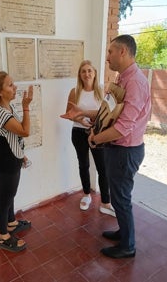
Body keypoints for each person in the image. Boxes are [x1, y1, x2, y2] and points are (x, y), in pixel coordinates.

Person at [64, 35, 151, 259]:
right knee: (121, 197)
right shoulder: (122, 79)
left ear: (123, 52)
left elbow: (123, 127)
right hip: (117, 149)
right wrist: (83, 113)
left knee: (120, 197)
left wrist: (95, 139)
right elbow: (107, 112)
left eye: (111, 51)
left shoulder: (136, 84)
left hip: (125, 150)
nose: (108, 56)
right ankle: (124, 233)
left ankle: (128, 246)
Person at [0, 71, 33, 252]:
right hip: (4, 166)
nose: (15, 88)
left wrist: (21, 155)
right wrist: (26, 107)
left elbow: (12, 139)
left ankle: (11, 223)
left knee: (10, 195)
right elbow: (24, 131)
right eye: (10, 85)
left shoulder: (6, 109)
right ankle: (3, 236)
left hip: (11, 161)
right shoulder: (0, 113)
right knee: (5, 200)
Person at [63, 60, 115, 216]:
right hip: (78, 133)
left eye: (89, 71)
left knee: (102, 168)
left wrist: (94, 123)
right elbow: (69, 113)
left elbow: (107, 114)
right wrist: (81, 120)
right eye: (83, 71)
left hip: (98, 133)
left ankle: (105, 202)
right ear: (80, 74)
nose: (87, 74)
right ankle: (86, 195)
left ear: (94, 73)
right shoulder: (74, 91)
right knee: (83, 165)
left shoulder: (101, 91)